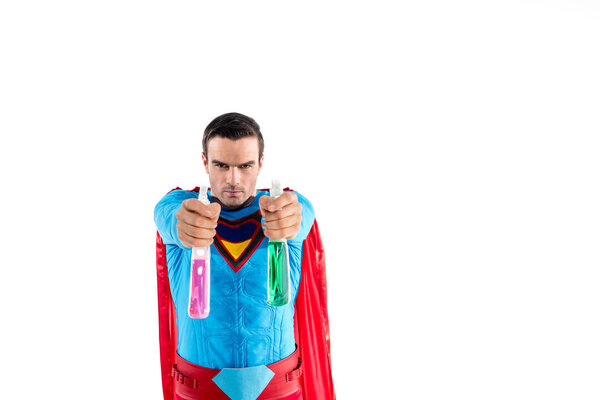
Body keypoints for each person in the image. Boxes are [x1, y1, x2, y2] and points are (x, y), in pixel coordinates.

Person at [154, 112, 335, 400]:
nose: (233, 179)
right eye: (221, 165)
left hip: (279, 389)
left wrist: (293, 215)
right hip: (198, 390)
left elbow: (301, 214)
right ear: (205, 162)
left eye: (245, 165)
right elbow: (168, 215)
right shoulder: (183, 207)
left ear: (261, 163)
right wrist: (182, 222)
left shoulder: (284, 209)